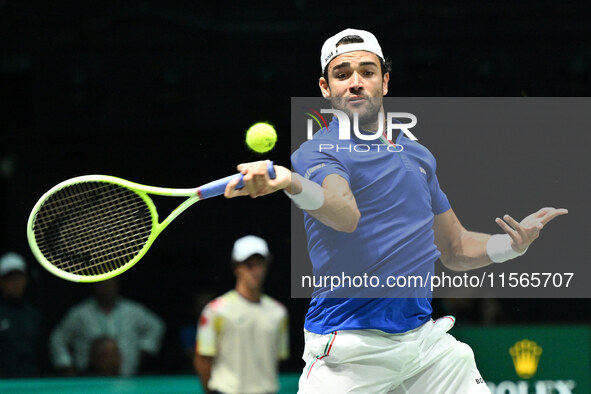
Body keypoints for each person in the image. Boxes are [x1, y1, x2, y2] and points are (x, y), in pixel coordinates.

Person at [224, 29, 568, 393]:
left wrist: (512, 246)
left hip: (424, 348)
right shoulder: (318, 151)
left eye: (367, 72)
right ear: (326, 88)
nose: (355, 83)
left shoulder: (418, 157)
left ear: (384, 81)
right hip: (349, 353)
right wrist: (292, 182)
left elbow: (455, 248)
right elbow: (343, 213)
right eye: (342, 74)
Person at [194, 235, 289, 394]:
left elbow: (276, 359)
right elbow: (202, 359)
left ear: (267, 265)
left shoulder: (279, 312)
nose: (255, 271)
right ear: (236, 267)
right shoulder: (215, 310)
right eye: (248, 265)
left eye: (260, 264)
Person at [50, 278, 165, 376]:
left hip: (127, 376)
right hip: (89, 378)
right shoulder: (80, 313)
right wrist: (66, 365)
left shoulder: (132, 310)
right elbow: (58, 338)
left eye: (110, 284)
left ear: (117, 285)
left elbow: (156, 326)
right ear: (95, 286)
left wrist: (143, 351)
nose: (106, 288)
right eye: (102, 285)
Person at [0, 251, 42, 377]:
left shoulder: (34, 314)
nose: (15, 283)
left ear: (26, 279)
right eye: (10, 278)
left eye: (19, 277)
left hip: (31, 381)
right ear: (1, 281)